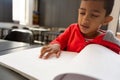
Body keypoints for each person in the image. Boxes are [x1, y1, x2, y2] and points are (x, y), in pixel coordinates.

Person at [40, 0, 120, 59]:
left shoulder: (109, 41)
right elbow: (59, 41)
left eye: (94, 15)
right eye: (82, 13)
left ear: (105, 20)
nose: (85, 20)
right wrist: (56, 45)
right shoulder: (72, 29)